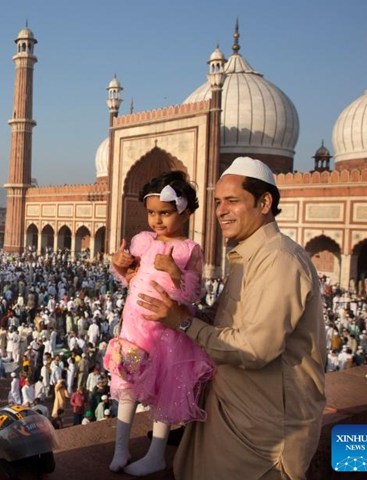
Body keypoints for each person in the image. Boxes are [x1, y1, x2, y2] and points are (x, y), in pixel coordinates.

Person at [137, 157, 326, 479]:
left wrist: (183, 323)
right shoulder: (248, 257)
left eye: (233, 201)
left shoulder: (279, 260)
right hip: (232, 414)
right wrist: (178, 312)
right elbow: (229, 325)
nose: (221, 210)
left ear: (264, 202)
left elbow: (254, 349)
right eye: (218, 202)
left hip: (263, 433)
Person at [108, 170, 214, 475]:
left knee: (164, 394)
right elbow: (131, 278)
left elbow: (193, 294)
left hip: (167, 334)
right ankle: (120, 450)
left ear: (185, 211)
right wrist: (120, 265)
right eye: (152, 213)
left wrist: (175, 272)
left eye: (165, 213)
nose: (157, 220)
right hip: (136, 330)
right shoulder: (143, 241)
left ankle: (156, 453)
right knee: (126, 387)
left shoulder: (189, 250)